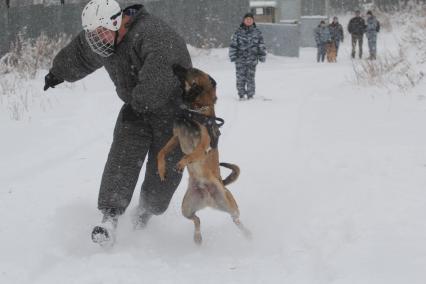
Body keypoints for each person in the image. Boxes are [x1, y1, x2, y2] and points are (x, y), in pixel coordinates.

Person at [43, 0, 192, 246]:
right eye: (92, 34)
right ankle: (109, 219)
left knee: (163, 178)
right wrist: (59, 72)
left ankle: (145, 214)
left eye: (100, 32)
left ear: (118, 21)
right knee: (122, 158)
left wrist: (140, 104)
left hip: (173, 113)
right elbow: (81, 53)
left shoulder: (154, 33)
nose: (96, 39)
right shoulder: (104, 38)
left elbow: (162, 75)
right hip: (137, 108)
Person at [229, 12, 266, 100]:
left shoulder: (257, 32)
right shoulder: (238, 32)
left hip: (252, 60)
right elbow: (233, 45)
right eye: (247, 19)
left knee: (250, 78)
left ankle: (250, 95)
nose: (249, 21)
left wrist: (262, 56)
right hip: (240, 60)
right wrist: (232, 55)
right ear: (244, 20)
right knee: (240, 78)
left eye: (250, 19)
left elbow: (261, 45)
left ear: (253, 21)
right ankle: (241, 94)